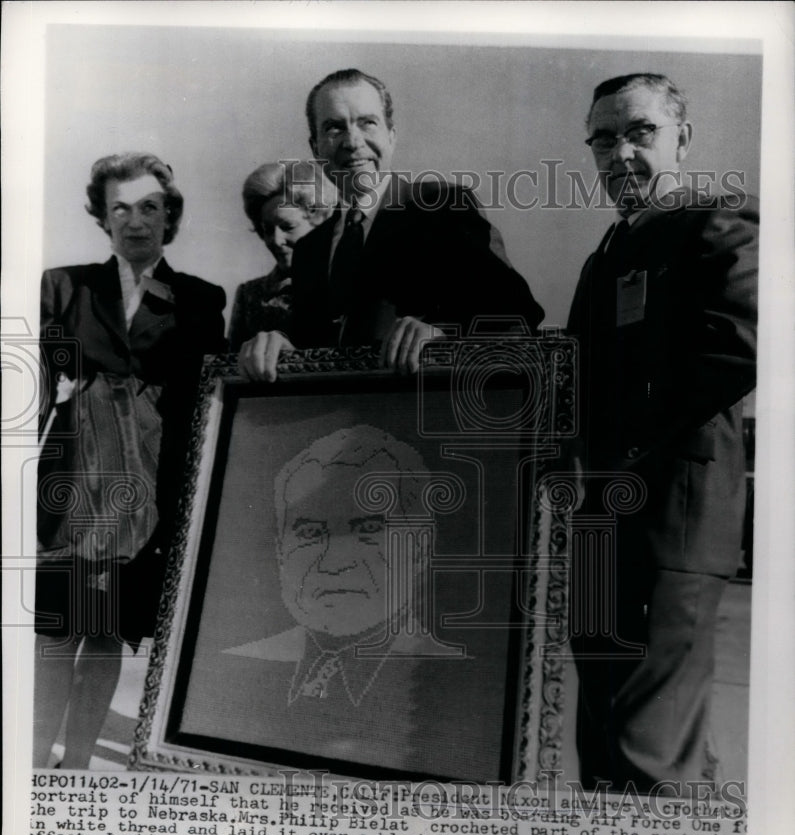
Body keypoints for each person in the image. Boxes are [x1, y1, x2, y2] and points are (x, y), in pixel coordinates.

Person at [564, 74, 758, 793]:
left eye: (639, 132)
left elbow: (744, 341)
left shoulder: (715, 220)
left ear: (682, 138)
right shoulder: (604, 255)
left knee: (649, 750)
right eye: (603, 138)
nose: (620, 152)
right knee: (604, 738)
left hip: (670, 522)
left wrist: (627, 442)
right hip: (599, 524)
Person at [34, 152, 226, 768]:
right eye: (120, 207)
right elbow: (31, 392)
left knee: (107, 630)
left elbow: (205, 404)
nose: (135, 221)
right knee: (57, 629)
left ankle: (82, 760)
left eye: (149, 207)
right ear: (102, 217)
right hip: (73, 478)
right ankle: (36, 761)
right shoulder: (63, 286)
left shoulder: (200, 299)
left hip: (146, 485)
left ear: (168, 216)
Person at [181, 425, 501, 780]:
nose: (334, 561)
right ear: (280, 553)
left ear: (420, 547)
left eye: (367, 531)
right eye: (309, 533)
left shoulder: (473, 697)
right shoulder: (216, 679)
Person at [239, 68, 544, 381]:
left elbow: (517, 317)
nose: (352, 141)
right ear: (315, 147)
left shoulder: (444, 208)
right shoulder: (309, 250)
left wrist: (442, 332)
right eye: (333, 128)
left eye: (367, 123)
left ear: (391, 136)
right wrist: (282, 346)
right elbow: (315, 352)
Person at [229, 160, 338, 352]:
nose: (276, 240)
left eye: (288, 227)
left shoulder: (347, 282)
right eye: (267, 230)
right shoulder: (250, 296)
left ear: (321, 220)